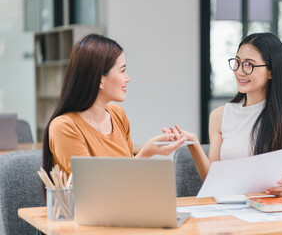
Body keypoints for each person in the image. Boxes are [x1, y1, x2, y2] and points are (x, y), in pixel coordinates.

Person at [163, 33, 282, 199]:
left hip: (270, 208)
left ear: (271, 72)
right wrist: (194, 144)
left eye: (248, 65)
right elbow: (212, 179)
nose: (239, 71)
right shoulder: (219, 116)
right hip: (230, 210)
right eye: (237, 62)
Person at [42, 34, 187, 177]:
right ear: (100, 79)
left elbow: (127, 177)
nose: (127, 78)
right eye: (122, 70)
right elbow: (93, 187)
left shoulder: (117, 114)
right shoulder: (64, 127)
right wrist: (146, 152)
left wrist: (151, 150)